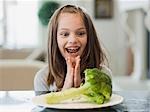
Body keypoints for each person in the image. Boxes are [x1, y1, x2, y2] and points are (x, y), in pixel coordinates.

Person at [34, 4, 112, 95]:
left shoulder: (103, 75)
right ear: (55, 39)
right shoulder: (43, 78)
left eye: (80, 33)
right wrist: (66, 90)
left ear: (90, 38)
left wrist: (80, 91)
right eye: (65, 34)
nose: (73, 40)